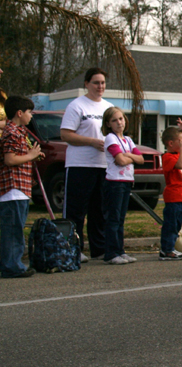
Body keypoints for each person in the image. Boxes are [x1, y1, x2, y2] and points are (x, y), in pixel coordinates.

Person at [60, 68, 113, 263]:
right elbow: (66, 135)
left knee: (99, 210)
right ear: (86, 84)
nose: (100, 87)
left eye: (103, 83)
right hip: (80, 165)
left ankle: (98, 248)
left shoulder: (108, 107)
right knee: (76, 210)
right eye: (96, 83)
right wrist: (91, 142)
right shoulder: (77, 106)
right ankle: (74, 248)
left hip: (103, 166)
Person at [0, 96, 41, 278]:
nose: (31, 116)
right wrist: (30, 156)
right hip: (13, 189)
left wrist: (33, 154)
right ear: (19, 113)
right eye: (29, 112)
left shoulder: (20, 132)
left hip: (21, 189)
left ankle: (12, 264)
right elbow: (9, 159)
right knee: (13, 230)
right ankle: (11, 266)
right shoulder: (12, 132)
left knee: (16, 229)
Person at [101, 107, 143, 265]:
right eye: (114, 120)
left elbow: (140, 159)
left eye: (121, 119)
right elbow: (120, 160)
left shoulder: (128, 140)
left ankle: (120, 250)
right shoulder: (111, 138)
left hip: (126, 182)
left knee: (120, 219)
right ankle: (111, 252)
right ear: (108, 124)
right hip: (115, 183)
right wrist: (129, 157)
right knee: (113, 218)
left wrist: (129, 155)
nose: (119, 123)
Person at [159, 119, 182, 261]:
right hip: (173, 196)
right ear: (171, 143)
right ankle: (166, 250)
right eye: (180, 141)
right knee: (171, 225)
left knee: (177, 224)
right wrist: (181, 150)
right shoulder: (168, 157)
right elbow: (180, 165)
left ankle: (171, 247)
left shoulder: (179, 152)